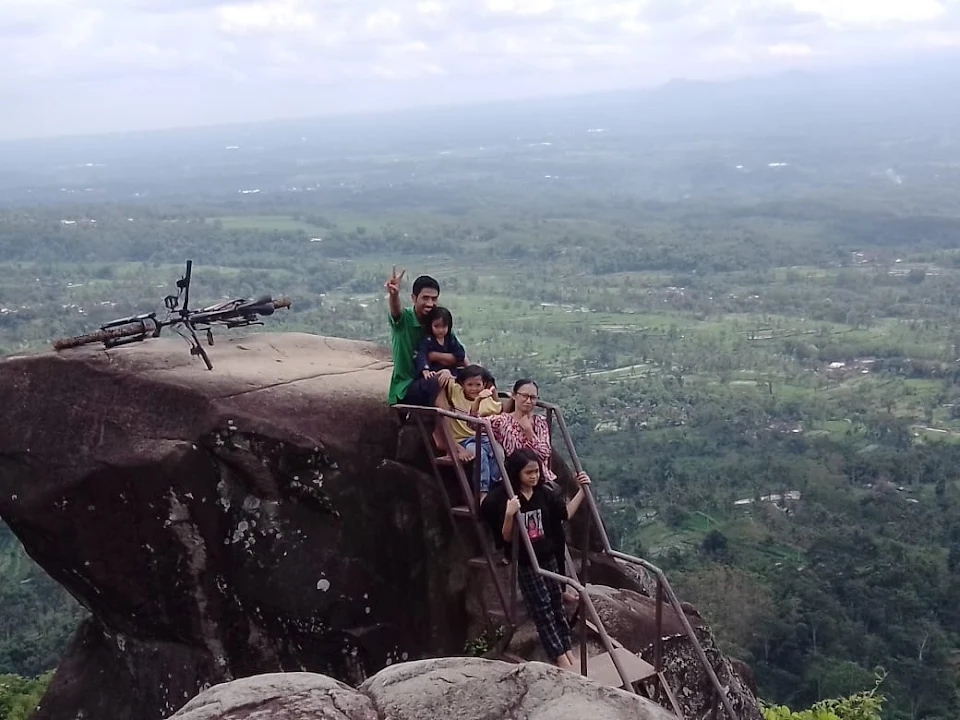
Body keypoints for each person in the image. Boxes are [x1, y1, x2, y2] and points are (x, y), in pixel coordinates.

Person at [480, 448, 592, 669]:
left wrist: (582, 491)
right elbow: (507, 537)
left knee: (556, 604)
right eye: (528, 472)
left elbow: (565, 514)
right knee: (541, 608)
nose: (534, 476)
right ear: (516, 473)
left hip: (547, 556)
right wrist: (510, 514)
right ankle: (558, 656)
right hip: (526, 562)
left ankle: (567, 649)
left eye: (536, 471)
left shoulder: (545, 493)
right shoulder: (508, 499)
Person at [385, 267, 467, 459]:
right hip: (408, 386)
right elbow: (395, 311)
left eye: (434, 298)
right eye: (425, 298)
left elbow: (460, 355)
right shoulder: (405, 320)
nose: (430, 303)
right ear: (414, 298)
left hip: (435, 379)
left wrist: (475, 376)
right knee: (438, 381)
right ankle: (449, 443)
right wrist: (394, 295)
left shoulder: (438, 323)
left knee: (465, 382)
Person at [444, 364, 503, 499]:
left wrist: (493, 393)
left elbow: (499, 412)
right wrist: (445, 371)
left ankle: (493, 488)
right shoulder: (456, 393)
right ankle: (482, 492)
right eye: (469, 385)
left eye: (478, 385)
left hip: (485, 438)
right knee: (479, 454)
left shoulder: (487, 400)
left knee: (499, 453)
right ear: (462, 385)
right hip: (465, 439)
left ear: (484, 385)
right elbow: (446, 380)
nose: (474, 389)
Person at [490, 379, 557, 483]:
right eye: (524, 396)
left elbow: (545, 453)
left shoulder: (540, 422)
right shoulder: (502, 420)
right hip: (515, 478)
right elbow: (474, 424)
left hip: (540, 478)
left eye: (533, 398)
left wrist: (528, 431)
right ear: (514, 395)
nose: (529, 401)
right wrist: (478, 401)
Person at [415, 306, 467, 379]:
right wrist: (425, 370)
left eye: (444, 326)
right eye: (437, 326)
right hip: (434, 371)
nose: (440, 330)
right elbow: (421, 355)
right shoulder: (427, 341)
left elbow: (460, 353)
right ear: (430, 325)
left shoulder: (450, 338)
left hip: (451, 371)